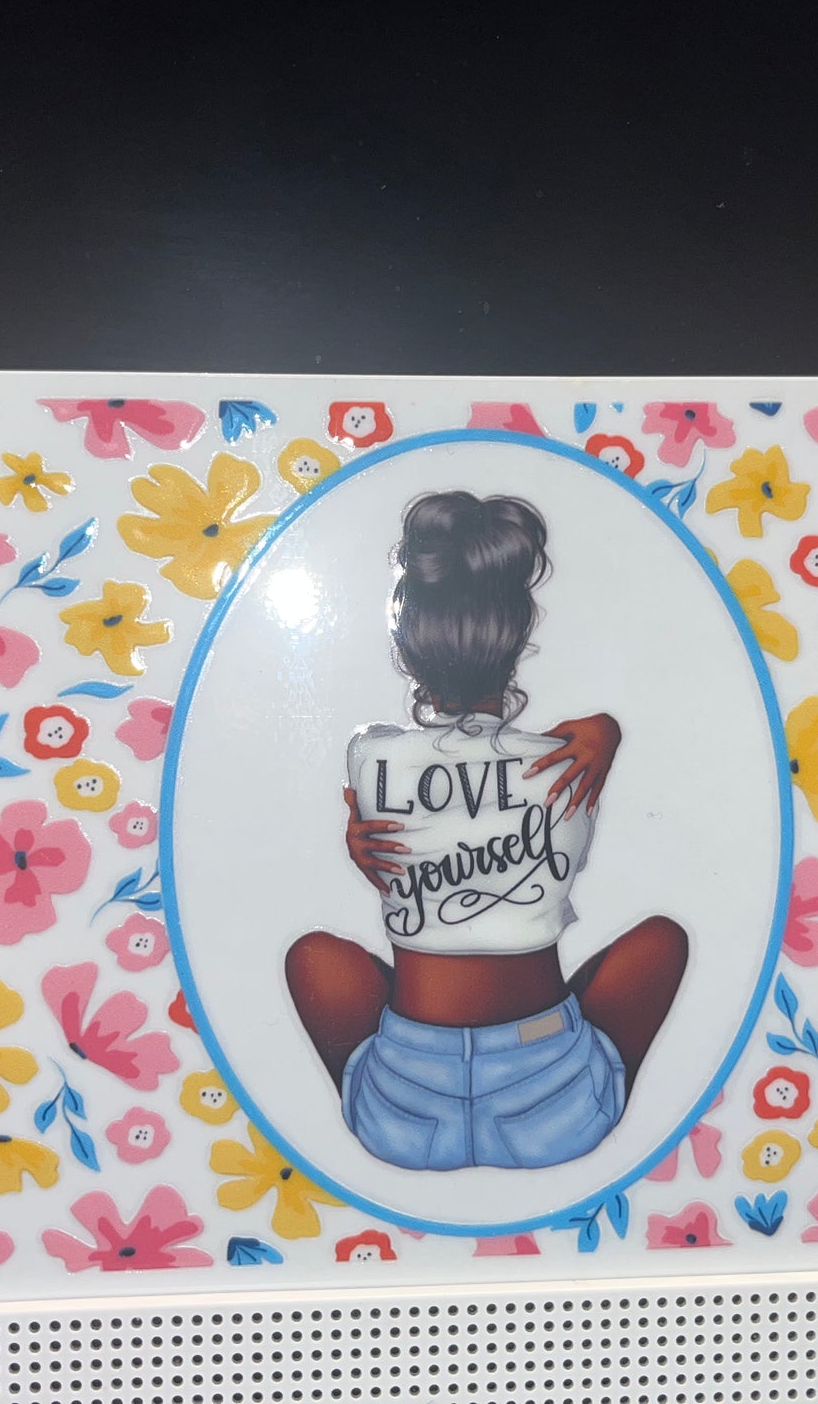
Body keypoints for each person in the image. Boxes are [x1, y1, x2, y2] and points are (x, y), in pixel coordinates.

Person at [285, 490, 687, 1171]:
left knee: (312, 956)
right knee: (663, 941)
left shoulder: (371, 756)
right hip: (558, 1110)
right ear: (518, 639)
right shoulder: (571, 759)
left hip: (401, 1117)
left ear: (407, 647)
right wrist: (607, 730)